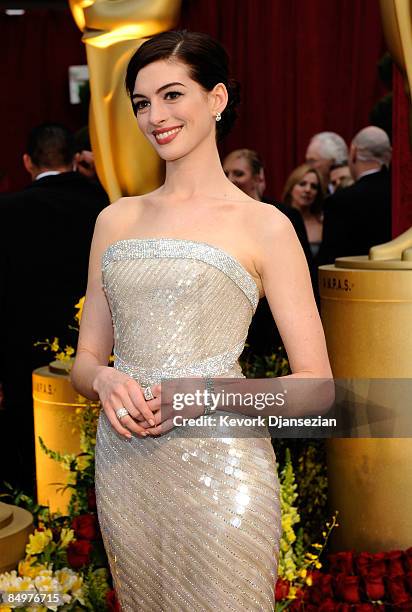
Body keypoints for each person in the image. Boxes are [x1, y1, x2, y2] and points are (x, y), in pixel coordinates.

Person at [71, 31, 332, 611]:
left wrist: (200, 396)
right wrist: (106, 380)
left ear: (216, 99)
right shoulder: (115, 220)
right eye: (142, 103)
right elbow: (86, 362)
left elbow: (317, 387)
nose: (154, 116)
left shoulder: (265, 225)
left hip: (224, 468)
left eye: (171, 95)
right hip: (127, 467)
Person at [0, 123, 108, 493]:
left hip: (22, 360)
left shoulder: (7, 211)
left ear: (28, 161)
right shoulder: (108, 207)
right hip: (105, 361)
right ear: (74, 159)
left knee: (31, 467)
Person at [223, 148, 315, 356]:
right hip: (231, 329)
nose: (231, 179)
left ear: (257, 178)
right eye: (226, 173)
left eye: (238, 173)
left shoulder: (282, 216)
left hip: (274, 327)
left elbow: (302, 276)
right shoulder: (218, 220)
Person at [319, 126, 392, 265]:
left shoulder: (339, 201)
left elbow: (329, 259)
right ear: (390, 154)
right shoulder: (402, 197)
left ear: (353, 152)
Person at [282, 163, 325, 260]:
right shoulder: (279, 219)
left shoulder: (323, 223)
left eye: (313, 186)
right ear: (291, 188)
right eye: (302, 184)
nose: (308, 189)